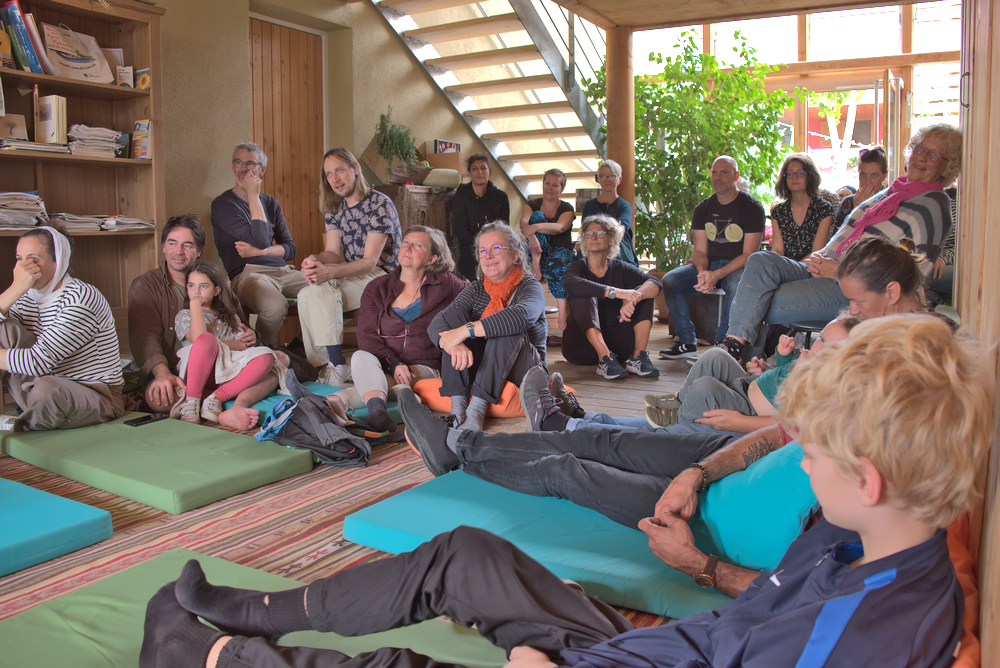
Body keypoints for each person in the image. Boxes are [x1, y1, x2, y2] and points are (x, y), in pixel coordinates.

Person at [140, 314, 991, 668]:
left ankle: (201, 657)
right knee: (467, 557)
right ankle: (259, 612)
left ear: (868, 477)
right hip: (642, 653)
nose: (802, 462)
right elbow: (735, 630)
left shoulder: (866, 632)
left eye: (817, 453)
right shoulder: (854, 534)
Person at [718, 124, 959, 363]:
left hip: (848, 286)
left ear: (948, 166)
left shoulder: (933, 205)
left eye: (934, 155)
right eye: (919, 149)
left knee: (756, 299)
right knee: (761, 260)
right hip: (818, 269)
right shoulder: (894, 192)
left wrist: (841, 271)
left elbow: (912, 273)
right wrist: (819, 256)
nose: (921, 157)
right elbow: (846, 236)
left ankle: (734, 359)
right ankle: (736, 352)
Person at [128, 215, 277, 431]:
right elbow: (144, 337)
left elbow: (240, 328)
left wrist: (252, 335)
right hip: (176, 372)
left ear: (198, 251)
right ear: (163, 247)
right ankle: (217, 401)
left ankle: (223, 403)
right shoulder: (145, 285)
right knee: (159, 399)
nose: (179, 251)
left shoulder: (215, 283)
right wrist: (162, 374)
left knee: (272, 369)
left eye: (187, 245)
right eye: (172, 243)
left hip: (225, 367)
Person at [327, 226, 467, 432]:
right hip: (385, 363)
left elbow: (480, 299)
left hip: (425, 366)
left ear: (432, 259)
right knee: (359, 356)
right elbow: (366, 335)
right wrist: (393, 363)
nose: (407, 248)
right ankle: (378, 410)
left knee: (375, 381)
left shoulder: (450, 286)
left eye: (417, 245)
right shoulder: (377, 287)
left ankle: (331, 402)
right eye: (406, 242)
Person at [0, 224, 124, 430]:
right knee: (2, 329)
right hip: (38, 386)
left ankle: (19, 426)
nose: (23, 268)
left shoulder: (82, 297)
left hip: (95, 394)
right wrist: (14, 290)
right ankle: (33, 419)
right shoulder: (24, 298)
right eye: (19, 259)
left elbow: (38, 362)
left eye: (33, 259)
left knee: (48, 389)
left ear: (58, 261)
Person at [297, 147, 403, 387]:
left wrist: (329, 272)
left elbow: (369, 262)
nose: (334, 179)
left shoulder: (379, 204)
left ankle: (336, 363)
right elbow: (333, 253)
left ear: (355, 168)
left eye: (339, 170)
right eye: (328, 174)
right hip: (352, 273)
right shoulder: (335, 207)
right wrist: (315, 259)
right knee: (305, 295)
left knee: (320, 288)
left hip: (383, 276)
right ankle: (323, 366)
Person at [645, 315, 857, 433]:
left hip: (748, 409)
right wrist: (777, 362)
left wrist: (801, 375)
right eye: (821, 338)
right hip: (747, 384)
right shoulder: (810, 362)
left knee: (706, 386)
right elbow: (784, 375)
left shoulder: (825, 387)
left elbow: (792, 418)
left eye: (828, 344)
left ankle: (678, 420)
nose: (818, 345)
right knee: (715, 355)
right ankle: (680, 400)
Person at [428, 221, 546, 431]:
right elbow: (437, 322)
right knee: (454, 315)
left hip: (524, 369)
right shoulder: (476, 288)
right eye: (482, 251)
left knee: (506, 324)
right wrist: (453, 344)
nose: (488, 255)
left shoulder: (530, 286)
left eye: (496, 248)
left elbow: (521, 316)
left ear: (515, 255)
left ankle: (476, 413)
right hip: (485, 366)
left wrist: (464, 331)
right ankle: (457, 411)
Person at [660, 156, 765, 359]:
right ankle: (686, 341)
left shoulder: (752, 207)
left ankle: (723, 344)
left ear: (736, 175)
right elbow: (700, 251)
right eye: (714, 172)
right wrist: (703, 273)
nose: (718, 177)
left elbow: (749, 254)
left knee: (736, 285)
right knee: (671, 280)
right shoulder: (703, 208)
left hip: (739, 267)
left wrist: (717, 275)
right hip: (710, 264)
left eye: (724, 172)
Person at [211, 142, 308, 346]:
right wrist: (253, 195)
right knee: (275, 305)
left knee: (329, 291)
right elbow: (261, 240)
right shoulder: (223, 205)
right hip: (248, 274)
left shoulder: (271, 203)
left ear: (262, 170)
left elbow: (290, 249)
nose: (243, 168)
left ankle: (299, 347)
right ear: (233, 166)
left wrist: (261, 252)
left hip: (284, 272)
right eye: (238, 162)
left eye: (249, 163)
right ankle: (262, 352)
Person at [171, 262, 280, 425]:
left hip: (227, 372)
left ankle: (216, 398)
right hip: (198, 374)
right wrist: (195, 305)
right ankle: (191, 401)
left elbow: (244, 345)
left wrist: (216, 347)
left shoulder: (229, 317)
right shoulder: (185, 315)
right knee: (206, 340)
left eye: (204, 286)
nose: (196, 292)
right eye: (191, 286)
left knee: (267, 356)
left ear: (216, 290)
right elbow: (200, 339)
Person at [562, 214, 660, 380]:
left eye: (600, 233)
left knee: (643, 293)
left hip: (619, 347)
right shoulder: (576, 268)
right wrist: (616, 292)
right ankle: (604, 359)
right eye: (588, 233)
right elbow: (570, 284)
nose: (593, 237)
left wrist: (633, 297)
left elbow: (655, 283)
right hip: (581, 348)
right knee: (584, 292)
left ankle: (638, 357)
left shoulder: (621, 268)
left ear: (612, 239)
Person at [520, 168, 575, 331]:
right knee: (536, 215)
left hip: (560, 250)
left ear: (561, 189)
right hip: (535, 248)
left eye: (555, 185)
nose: (550, 188)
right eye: (547, 183)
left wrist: (536, 227)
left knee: (557, 263)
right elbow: (524, 224)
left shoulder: (566, 207)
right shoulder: (532, 204)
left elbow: (560, 227)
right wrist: (532, 237)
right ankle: (536, 261)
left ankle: (562, 313)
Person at [451, 153, 510, 281]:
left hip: (495, 249)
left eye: (483, 168)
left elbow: (503, 229)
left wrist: (490, 248)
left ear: (490, 172)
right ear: (469, 173)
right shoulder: (461, 196)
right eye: (475, 169)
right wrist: (481, 248)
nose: (479, 172)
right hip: (470, 251)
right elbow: (460, 230)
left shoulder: (501, 197)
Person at [768, 153, 834, 262]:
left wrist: (794, 268)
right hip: (783, 267)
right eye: (789, 173)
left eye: (800, 173)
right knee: (756, 258)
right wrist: (781, 268)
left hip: (811, 266)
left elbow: (817, 252)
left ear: (810, 176)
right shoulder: (778, 211)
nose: (794, 177)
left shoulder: (824, 209)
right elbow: (777, 250)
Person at [581, 160, 637, 265]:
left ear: (619, 180)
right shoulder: (589, 205)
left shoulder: (624, 205)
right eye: (603, 176)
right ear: (598, 179)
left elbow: (622, 228)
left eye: (612, 175)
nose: (607, 179)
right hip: (593, 245)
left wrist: (606, 238)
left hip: (618, 247)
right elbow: (585, 229)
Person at [831, 146, 888, 235]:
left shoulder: (892, 201)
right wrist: (857, 209)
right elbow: (839, 238)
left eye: (874, 175)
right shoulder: (848, 203)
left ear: (884, 175)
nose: (868, 181)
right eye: (863, 175)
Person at [924, 187, 958, 307]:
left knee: (923, 278)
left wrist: (943, 258)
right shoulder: (921, 200)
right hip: (928, 260)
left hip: (954, 262)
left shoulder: (956, 202)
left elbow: (963, 247)